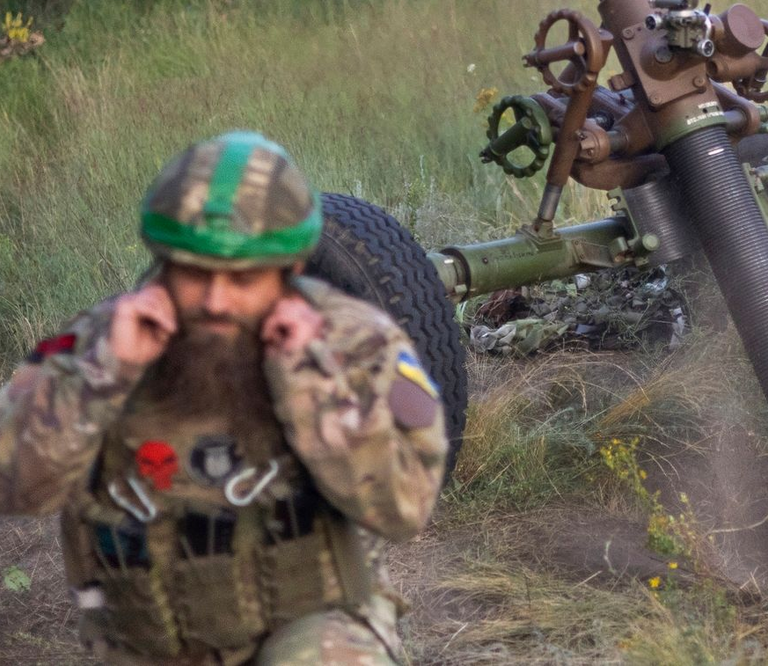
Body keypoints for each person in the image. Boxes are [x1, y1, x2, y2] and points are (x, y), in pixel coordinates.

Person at [0, 131, 447, 664]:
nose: (216, 301)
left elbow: (404, 511)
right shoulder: (92, 346)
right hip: (147, 640)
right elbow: (14, 489)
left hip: (315, 626)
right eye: (194, 273)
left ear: (292, 270)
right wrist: (103, 376)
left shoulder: (354, 343)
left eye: (244, 278)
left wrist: (312, 390)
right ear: (162, 260)